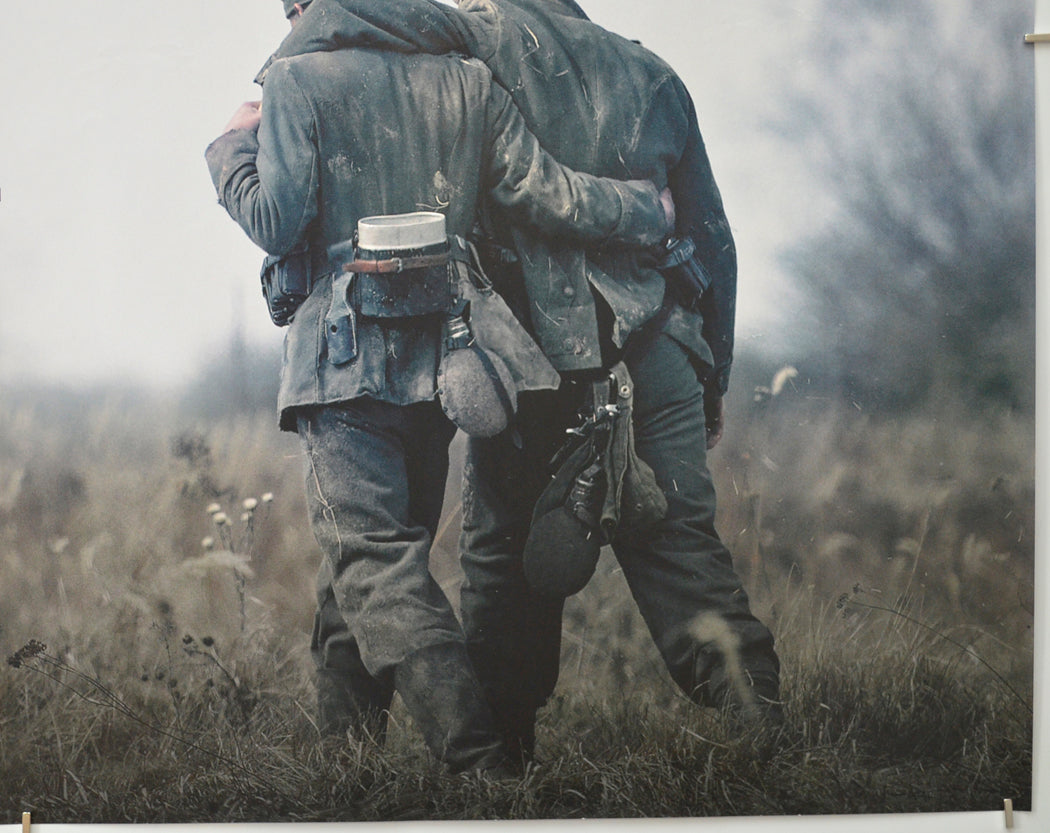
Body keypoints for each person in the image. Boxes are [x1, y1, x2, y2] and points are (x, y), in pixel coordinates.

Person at [262, 0, 783, 768]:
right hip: (660, 349)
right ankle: (773, 740)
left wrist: (266, 92)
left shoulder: (468, 35)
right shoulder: (650, 72)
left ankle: (498, 769)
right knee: (682, 552)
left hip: (537, 357)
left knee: (504, 567)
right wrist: (715, 378)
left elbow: (347, 18)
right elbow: (712, 241)